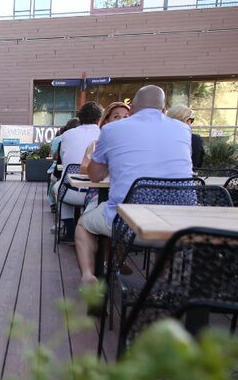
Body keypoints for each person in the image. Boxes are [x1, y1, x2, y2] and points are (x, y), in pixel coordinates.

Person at [75, 85, 194, 286]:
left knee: (83, 224)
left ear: (131, 110)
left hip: (128, 225)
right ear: (163, 109)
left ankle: (88, 276)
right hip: (179, 226)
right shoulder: (183, 129)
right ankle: (161, 285)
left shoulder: (112, 129)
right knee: (164, 243)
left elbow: (95, 176)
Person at [52, 102, 103, 241]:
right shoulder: (103, 134)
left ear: (80, 117)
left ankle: (69, 229)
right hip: (96, 196)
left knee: (57, 187)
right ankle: (90, 231)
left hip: (69, 192)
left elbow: (62, 158)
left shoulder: (67, 135)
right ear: (100, 118)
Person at [167, 104, 205, 168]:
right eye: (190, 120)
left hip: (158, 176)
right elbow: (197, 164)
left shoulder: (159, 138)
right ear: (185, 121)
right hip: (185, 176)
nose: (190, 123)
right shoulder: (194, 139)